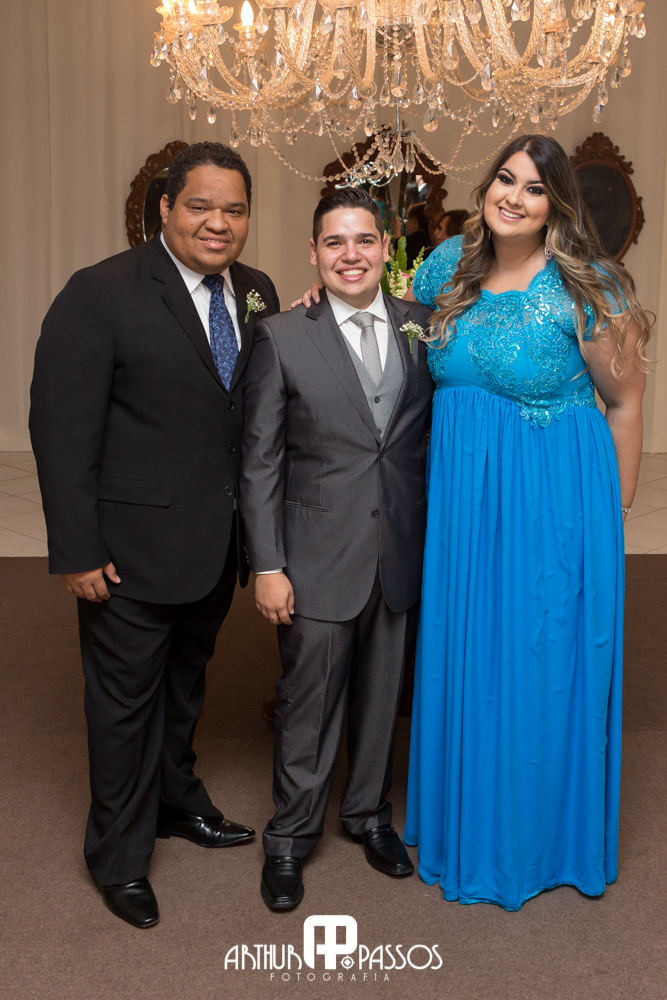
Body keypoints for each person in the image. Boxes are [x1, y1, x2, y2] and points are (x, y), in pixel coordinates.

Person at [29, 142, 280, 929]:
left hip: (213, 543)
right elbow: (60, 431)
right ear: (166, 209)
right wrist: (76, 549)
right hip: (127, 552)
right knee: (123, 707)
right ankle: (117, 857)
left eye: (233, 209)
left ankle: (176, 801)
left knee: (183, 686)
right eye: (200, 206)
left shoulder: (258, 292)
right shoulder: (99, 292)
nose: (217, 223)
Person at [402, 134, 651, 910]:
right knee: (468, 651)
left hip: (553, 502)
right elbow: (384, 323)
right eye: (504, 179)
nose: (512, 196)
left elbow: (625, 403)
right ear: (485, 187)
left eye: (534, 188)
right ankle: (467, 821)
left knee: (538, 658)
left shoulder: (587, 287)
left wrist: (610, 519)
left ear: (556, 206)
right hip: (462, 504)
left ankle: (537, 842)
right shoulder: (444, 267)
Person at [240, 187, 433, 911]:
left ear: (385, 248)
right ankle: (289, 838)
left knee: (383, 699)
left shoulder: (424, 327)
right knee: (308, 703)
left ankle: (367, 815)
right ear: (314, 253)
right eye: (334, 242)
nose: (350, 255)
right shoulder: (282, 335)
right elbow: (260, 462)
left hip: (397, 549)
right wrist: (267, 565)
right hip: (315, 553)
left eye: (363, 240)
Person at [405, 202, 431, 269]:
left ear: (414, 221)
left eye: (408, 219)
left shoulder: (407, 244)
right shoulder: (433, 242)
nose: (407, 223)